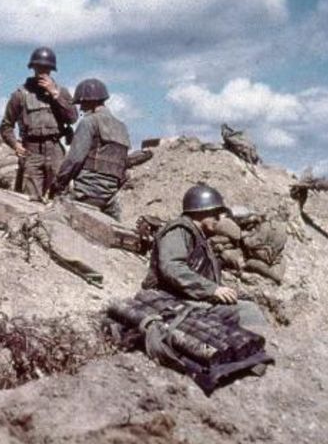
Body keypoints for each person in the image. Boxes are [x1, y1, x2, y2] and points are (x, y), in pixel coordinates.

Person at [140, 184, 268, 328]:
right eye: (215, 213)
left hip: (188, 298)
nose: (219, 219)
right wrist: (212, 289)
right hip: (170, 300)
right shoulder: (179, 230)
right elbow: (172, 267)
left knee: (245, 305)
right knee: (247, 311)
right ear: (199, 212)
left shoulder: (200, 236)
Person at [0, 47, 78, 200]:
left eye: (46, 68)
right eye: (39, 67)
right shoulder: (20, 95)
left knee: (62, 197)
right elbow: (6, 126)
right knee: (29, 199)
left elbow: (73, 117)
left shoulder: (62, 92)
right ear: (33, 68)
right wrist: (15, 144)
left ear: (52, 70)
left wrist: (55, 94)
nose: (42, 71)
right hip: (31, 150)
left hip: (55, 149)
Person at [49, 78, 131, 220]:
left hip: (86, 193)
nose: (81, 109)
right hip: (111, 197)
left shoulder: (89, 122)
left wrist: (58, 184)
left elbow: (74, 159)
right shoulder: (122, 127)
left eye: (83, 104)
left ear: (91, 102)